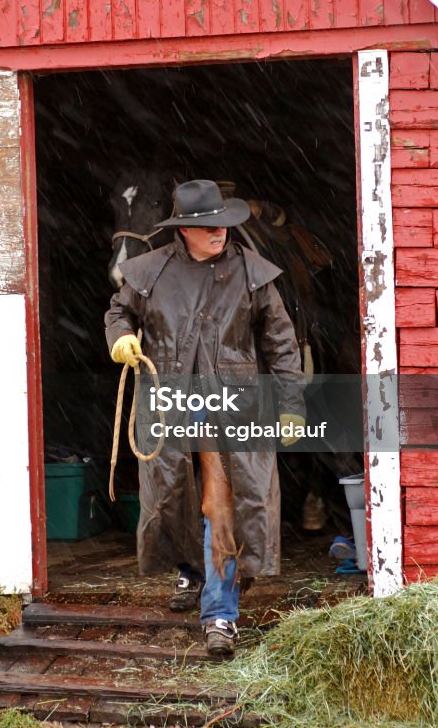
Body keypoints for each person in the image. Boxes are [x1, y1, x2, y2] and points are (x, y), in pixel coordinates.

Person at [104, 179, 306, 657]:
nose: (220, 233)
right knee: (173, 495)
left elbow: (281, 341)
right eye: (209, 227)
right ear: (186, 231)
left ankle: (219, 615)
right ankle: (190, 572)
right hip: (168, 400)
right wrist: (121, 336)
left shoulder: (251, 272)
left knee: (223, 502)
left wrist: (292, 402)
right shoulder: (149, 271)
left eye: (224, 224)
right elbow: (119, 310)